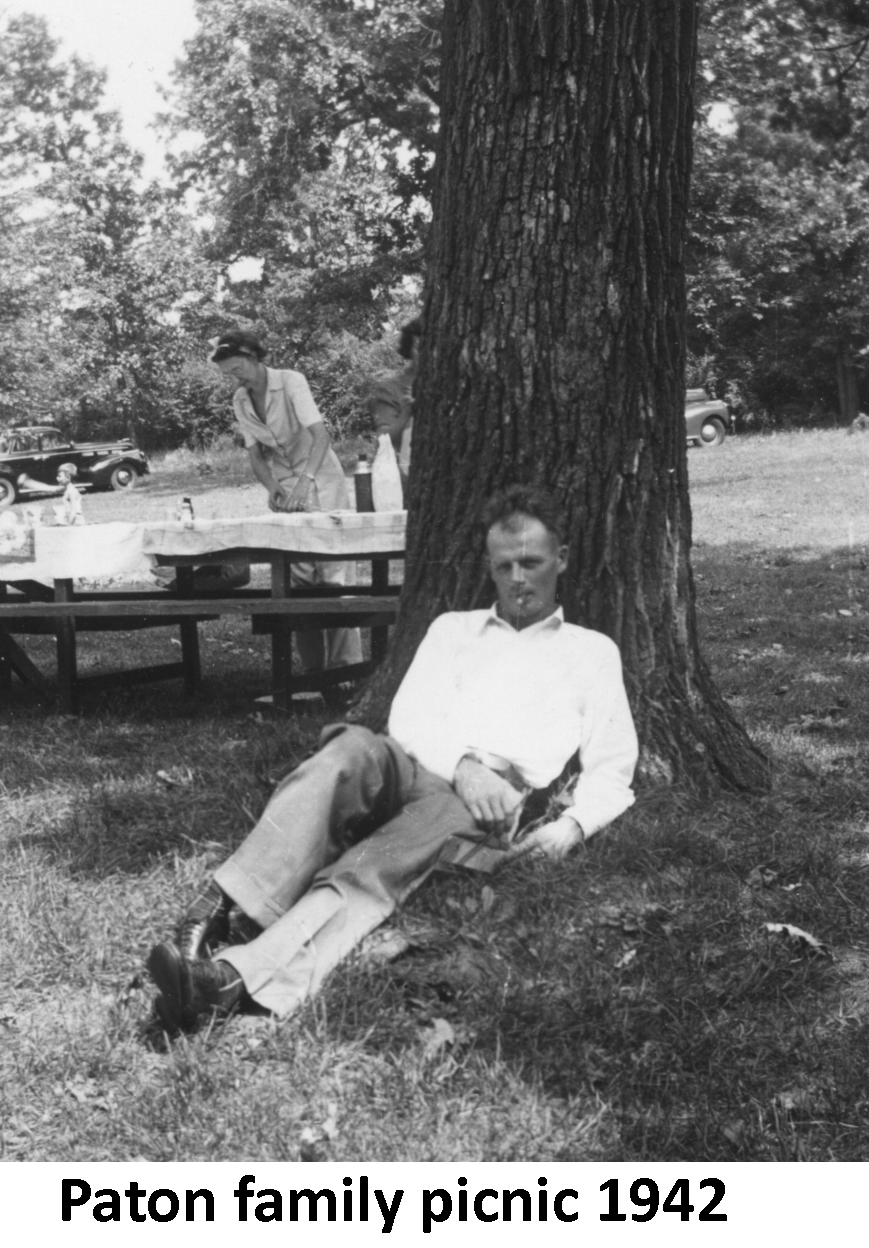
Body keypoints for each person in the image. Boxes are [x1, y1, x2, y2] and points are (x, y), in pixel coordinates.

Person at [147, 484, 638, 1031]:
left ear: (562, 559)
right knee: (348, 750)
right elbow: (407, 720)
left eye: (532, 563)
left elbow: (614, 764)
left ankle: (227, 980)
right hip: (421, 765)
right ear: (489, 566)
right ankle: (217, 905)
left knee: (371, 867)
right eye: (504, 567)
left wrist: (571, 826)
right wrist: (463, 766)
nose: (518, 580)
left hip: (486, 804)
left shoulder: (591, 651)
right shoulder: (453, 629)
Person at [210, 329, 362, 672]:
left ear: (253, 357)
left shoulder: (291, 381)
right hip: (286, 485)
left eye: (238, 369)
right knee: (299, 582)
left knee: (335, 579)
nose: (236, 378)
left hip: (321, 478)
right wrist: (271, 488)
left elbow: (321, 436)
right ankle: (313, 675)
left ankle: (346, 671)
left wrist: (305, 484)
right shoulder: (240, 400)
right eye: (228, 375)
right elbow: (255, 455)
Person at [370, 318, 421, 480]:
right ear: (409, 350)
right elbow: (382, 440)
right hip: (403, 479)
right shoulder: (391, 387)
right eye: (421, 348)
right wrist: (407, 414)